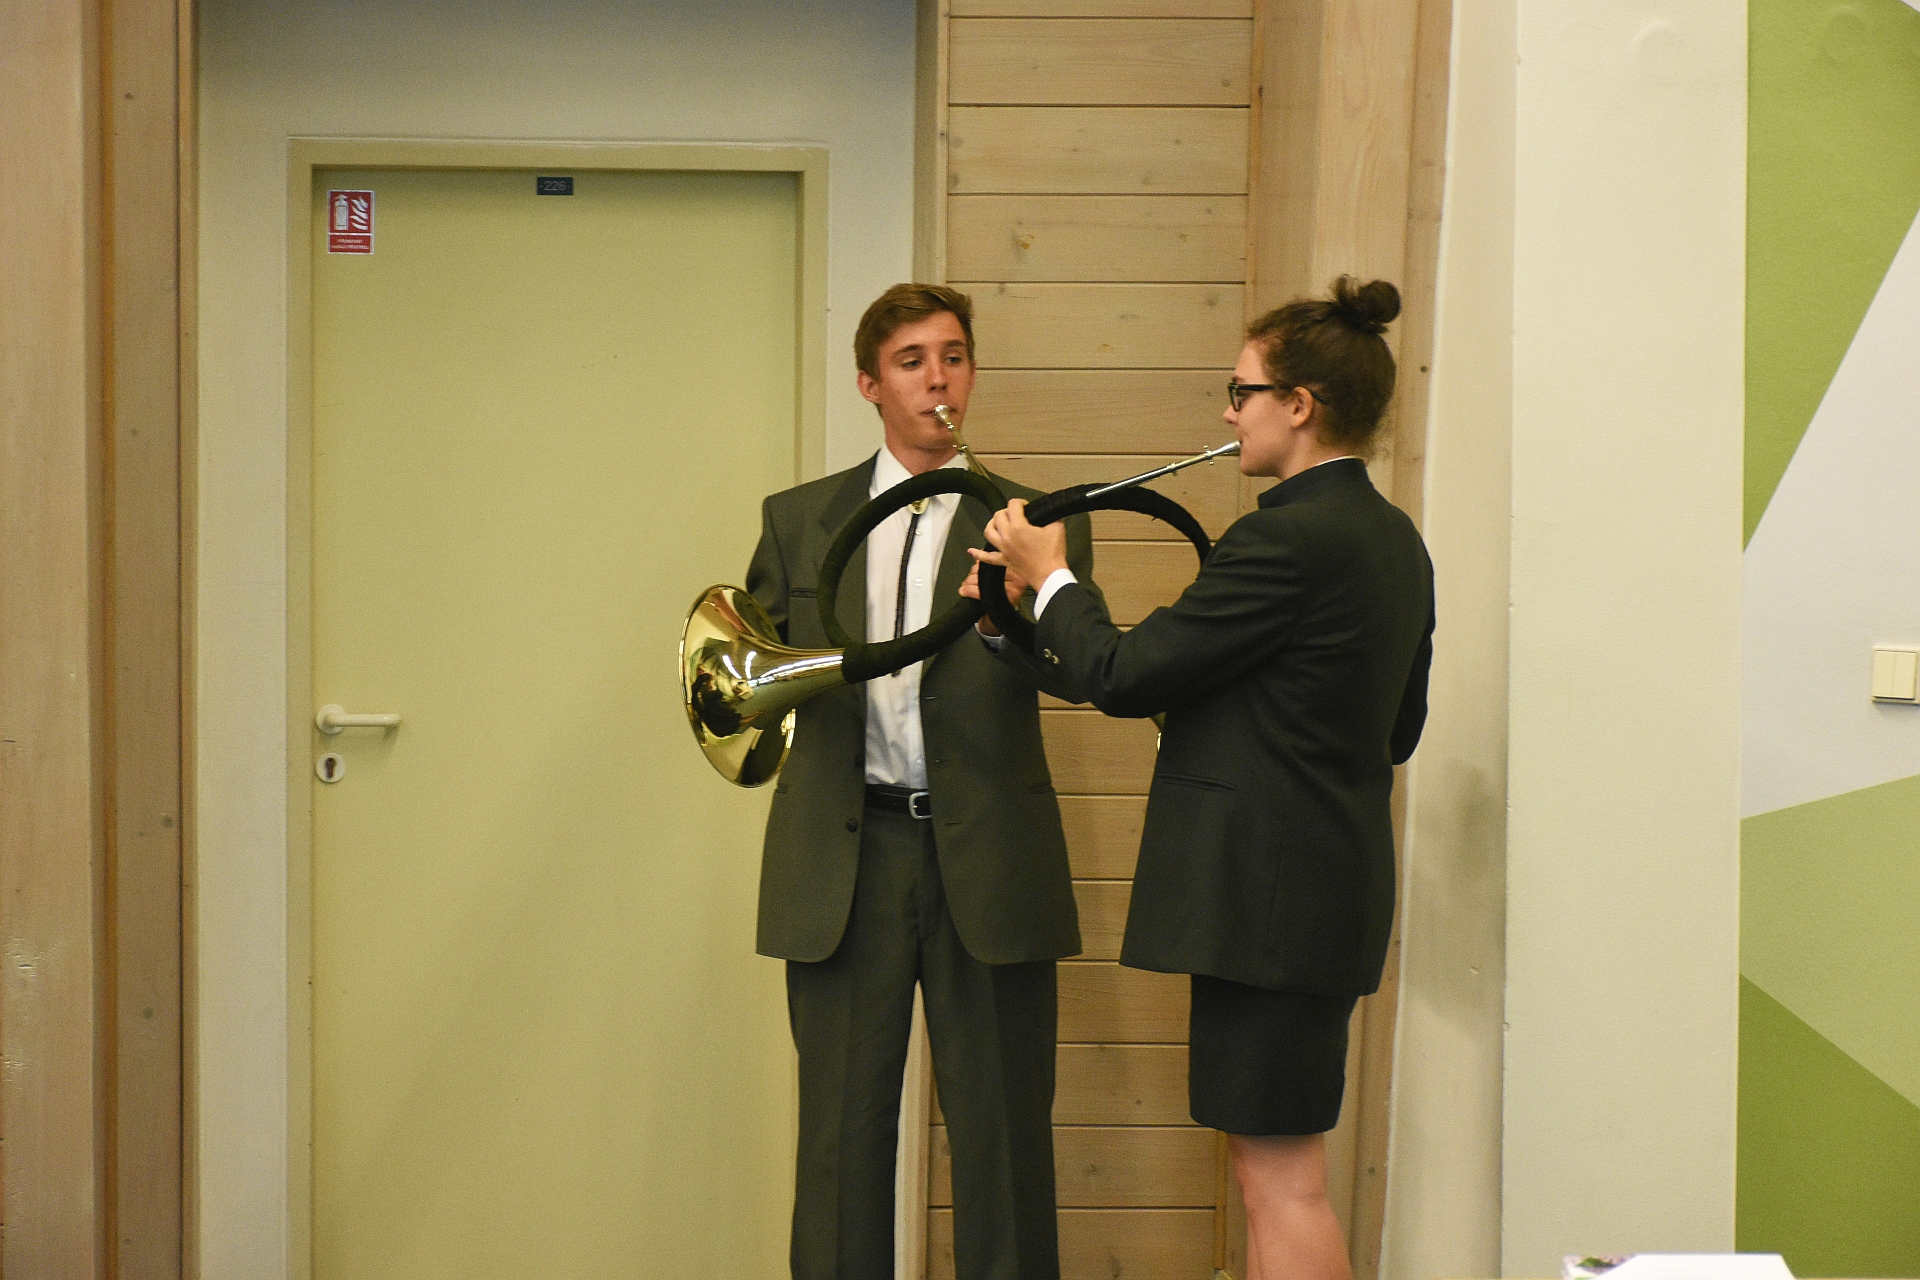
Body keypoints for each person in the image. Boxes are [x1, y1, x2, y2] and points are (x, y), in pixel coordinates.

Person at [965, 277, 1434, 1280]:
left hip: (1265, 906)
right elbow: (1396, 730)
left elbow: (1127, 674)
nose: (1228, 414)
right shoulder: (1394, 539)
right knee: (1274, 1170)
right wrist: (1017, 618)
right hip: (1319, 897)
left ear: (1298, 405)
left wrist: (1051, 574)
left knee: (1281, 1182)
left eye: (1241, 391)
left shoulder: (1285, 536)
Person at [746, 283, 1098, 1280]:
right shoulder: (798, 519)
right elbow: (757, 677)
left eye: (953, 356)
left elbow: (1080, 671)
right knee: (840, 1141)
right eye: (911, 361)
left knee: (1003, 1138)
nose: (938, 378)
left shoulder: (1033, 522)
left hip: (987, 856)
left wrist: (1010, 613)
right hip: (845, 857)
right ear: (870, 383)